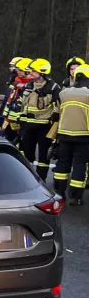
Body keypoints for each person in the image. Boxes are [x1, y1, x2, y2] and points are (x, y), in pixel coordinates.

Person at [53, 64, 89, 205]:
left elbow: (56, 114)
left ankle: (58, 193)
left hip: (63, 134)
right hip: (84, 135)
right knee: (80, 164)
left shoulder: (64, 93)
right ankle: (75, 197)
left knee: (62, 163)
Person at [19, 58, 60, 180]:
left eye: (33, 71)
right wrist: (20, 121)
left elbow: (58, 108)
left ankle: (41, 181)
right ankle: (28, 180)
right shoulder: (28, 86)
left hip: (45, 127)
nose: (30, 73)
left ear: (42, 72)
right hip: (28, 126)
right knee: (27, 155)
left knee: (43, 157)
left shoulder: (53, 88)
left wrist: (55, 126)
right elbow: (22, 105)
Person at [4, 58, 34, 144]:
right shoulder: (16, 82)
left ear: (27, 72)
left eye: (20, 70)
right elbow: (10, 99)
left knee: (23, 142)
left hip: (23, 120)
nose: (18, 71)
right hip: (11, 118)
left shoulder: (32, 85)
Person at [0, 57, 25, 133]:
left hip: (14, 113)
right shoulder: (14, 78)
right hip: (8, 110)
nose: (11, 68)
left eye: (13, 66)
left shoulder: (19, 81)